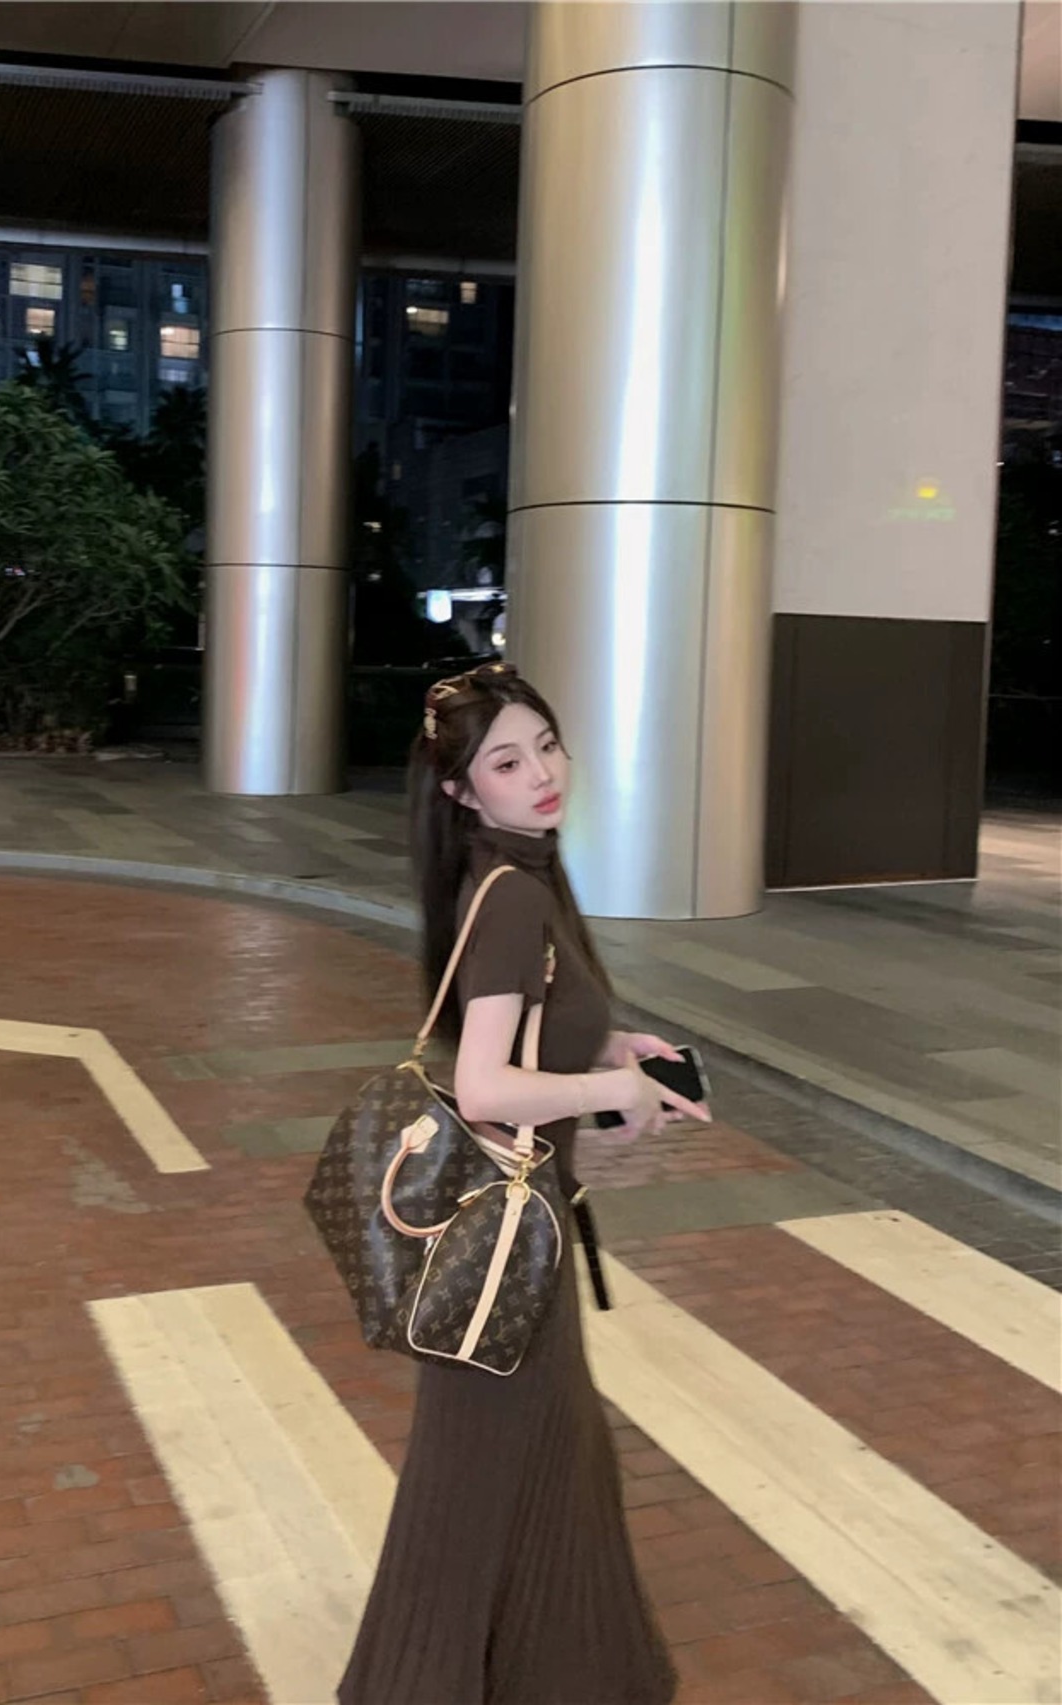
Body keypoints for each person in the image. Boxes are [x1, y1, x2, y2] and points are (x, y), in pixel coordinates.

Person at [339, 661, 710, 1705]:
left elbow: (526, 1033)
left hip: (523, 1231)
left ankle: (560, 1671)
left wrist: (616, 1043)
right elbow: (484, 1082)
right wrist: (613, 1088)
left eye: (546, 745)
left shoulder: (523, 875)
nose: (542, 773)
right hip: (511, 1240)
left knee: (546, 1460)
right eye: (506, 762)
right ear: (460, 790)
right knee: (479, 1482)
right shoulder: (509, 898)